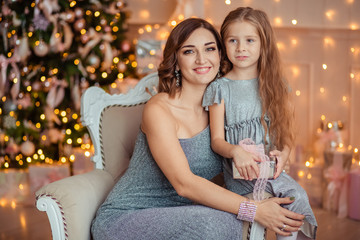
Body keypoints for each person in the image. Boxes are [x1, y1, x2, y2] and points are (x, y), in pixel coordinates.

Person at [91, 18, 304, 240]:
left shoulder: (222, 109)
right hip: (129, 216)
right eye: (189, 51)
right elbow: (184, 184)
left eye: (210, 49)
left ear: (220, 55)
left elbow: (261, 144)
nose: (202, 59)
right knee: (215, 221)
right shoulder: (160, 108)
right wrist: (255, 209)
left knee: (228, 217)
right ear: (176, 60)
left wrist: (275, 160)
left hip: (183, 213)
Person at [202, 7, 317, 240]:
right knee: (267, 204)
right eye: (233, 40)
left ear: (263, 44)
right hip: (240, 176)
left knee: (297, 199)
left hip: (272, 172)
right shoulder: (220, 88)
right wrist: (235, 151)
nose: (241, 47)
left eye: (250, 40)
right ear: (224, 45)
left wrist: (285, 152)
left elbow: (286, 131)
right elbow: (216, 140)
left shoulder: (276, 85)